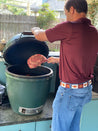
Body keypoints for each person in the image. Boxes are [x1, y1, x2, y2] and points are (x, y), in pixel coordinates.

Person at [31, 0, 98, 131]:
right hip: (84, 90)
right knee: (73, 128)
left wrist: (35, 28)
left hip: (69, 92)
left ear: (71, 9)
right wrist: (57, 60)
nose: (66, 15)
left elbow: (39, 36)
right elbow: (81, 57)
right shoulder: (93, 31)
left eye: (66, 12)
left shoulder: (69, 27)